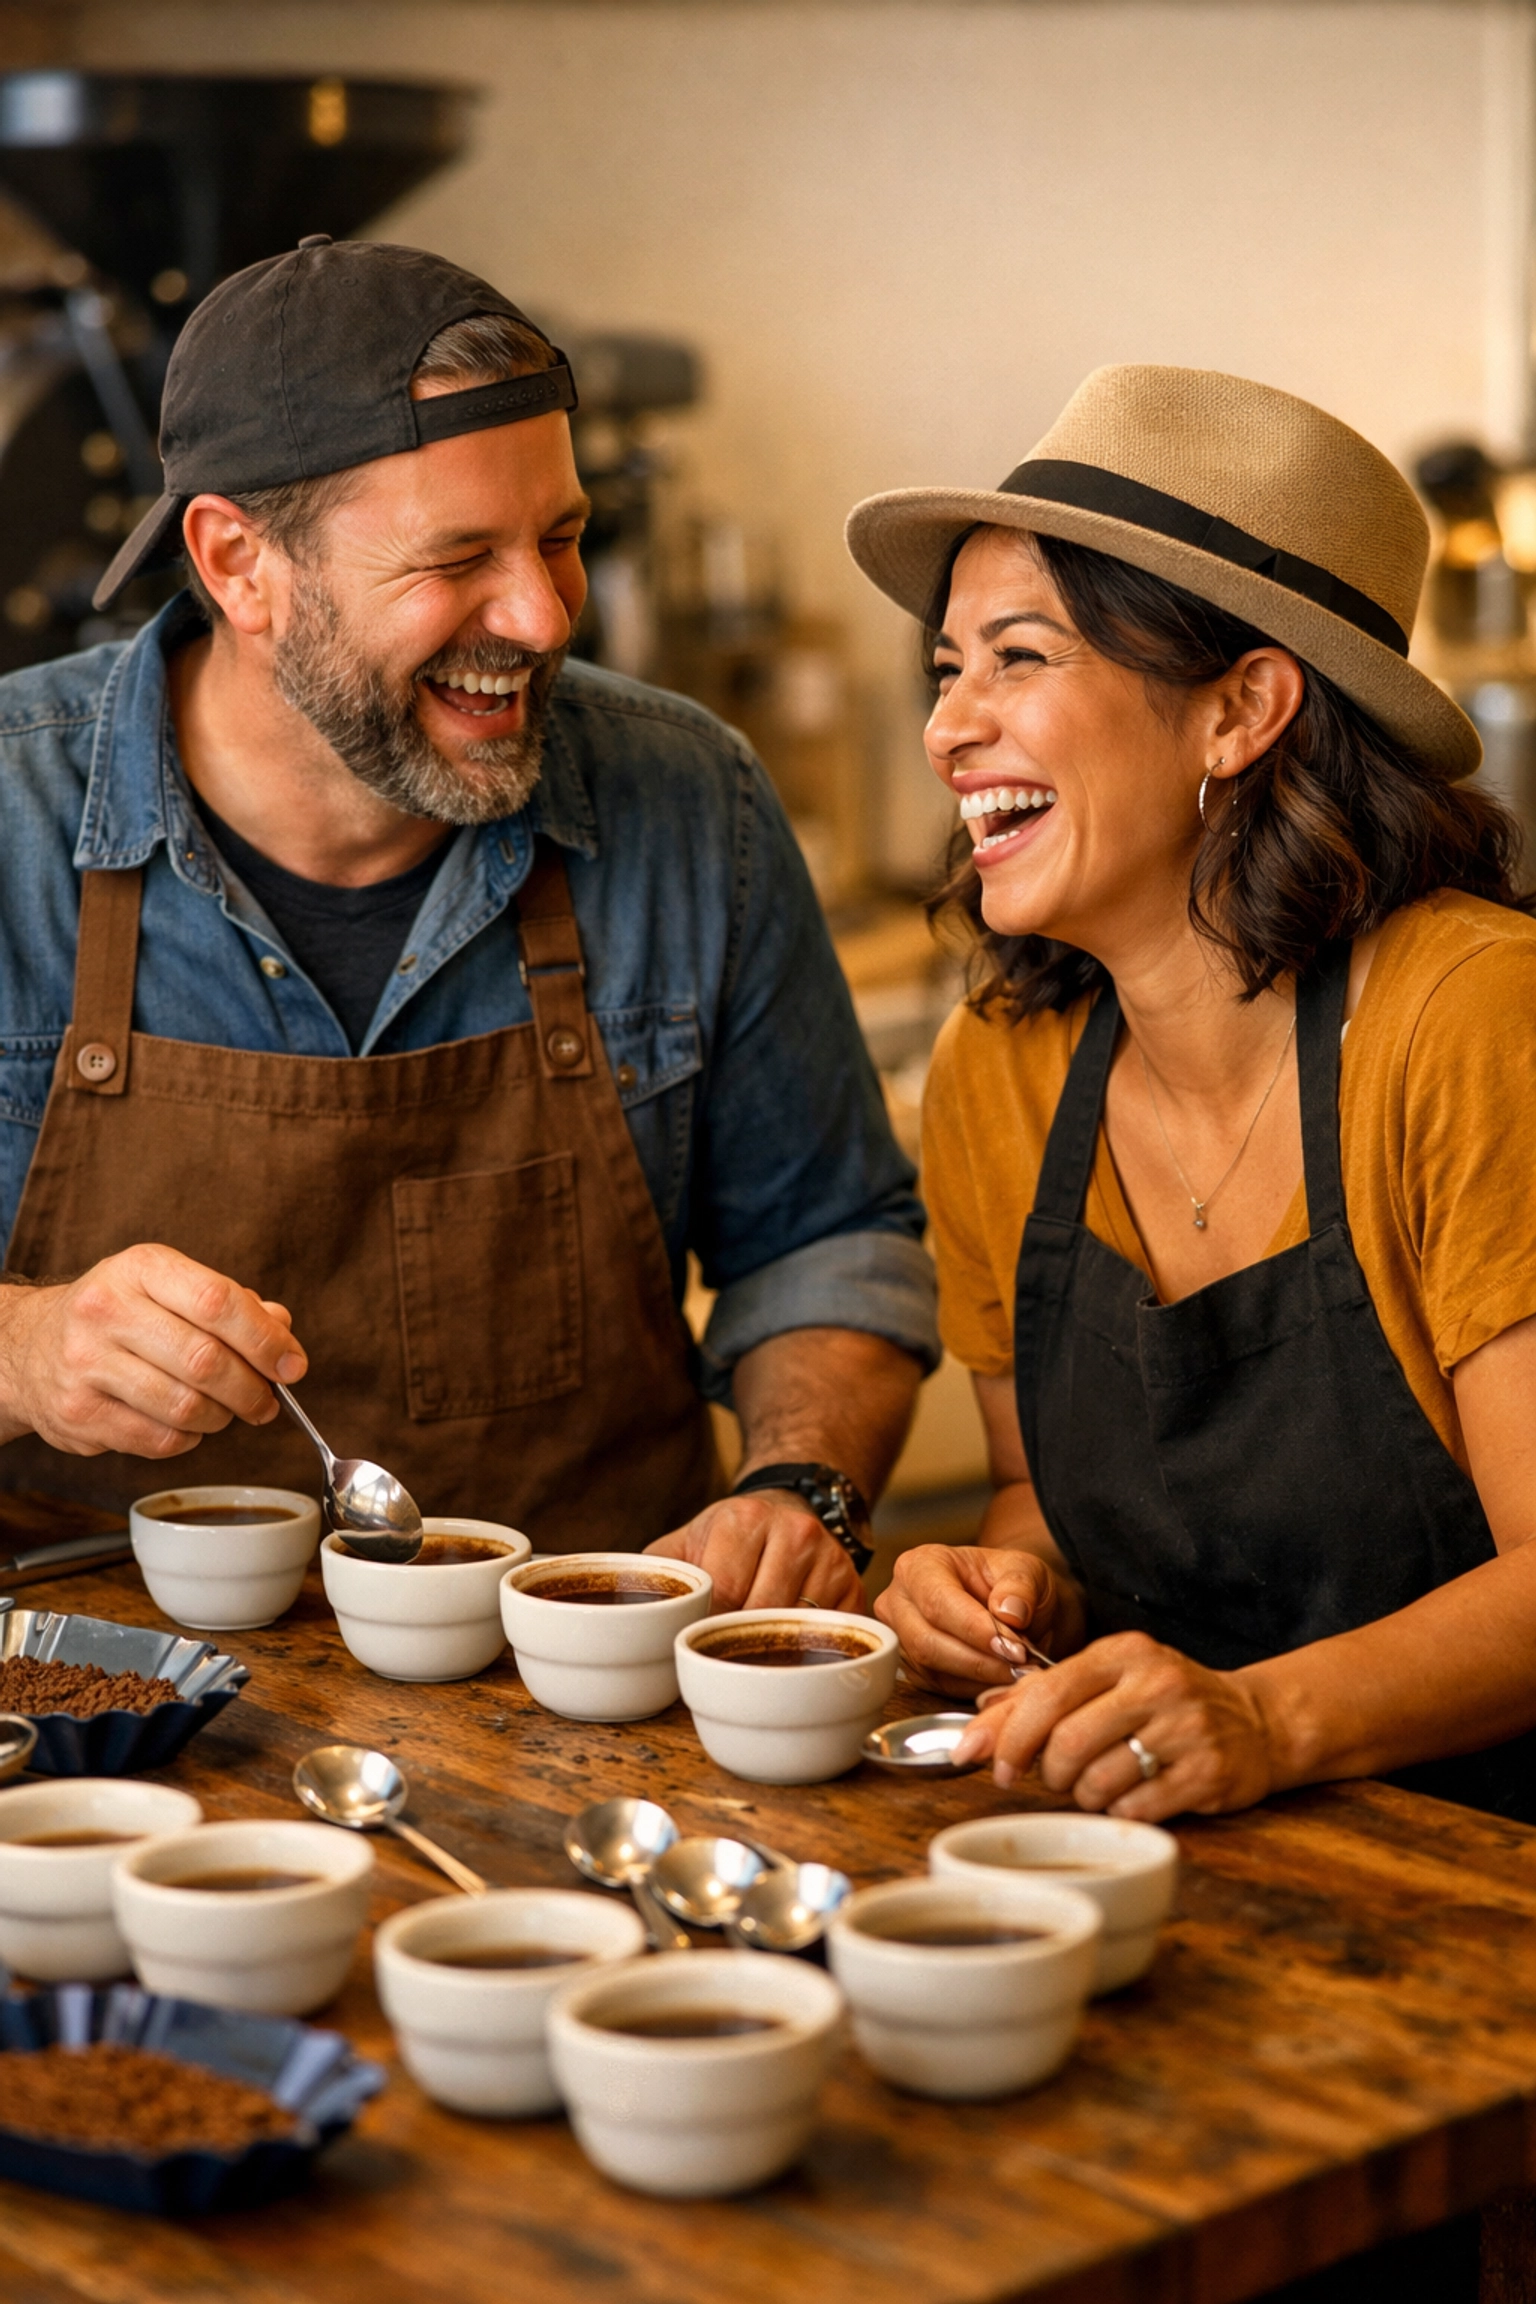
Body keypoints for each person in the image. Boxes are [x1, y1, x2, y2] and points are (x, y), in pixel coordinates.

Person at [0, 236, 938, 1610]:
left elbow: (828, 1240)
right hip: (99, 1719)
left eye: (564, 538)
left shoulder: (688, 802)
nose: (546, 614)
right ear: (238, 563)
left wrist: (803, 1484)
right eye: (460, 558)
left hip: (580, 1704)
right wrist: (24, 1351)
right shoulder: (14, 817)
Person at [847, 364, 1536, 1818]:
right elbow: (1046, 1499)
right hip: (1185, 1844)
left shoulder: (1471, 1017)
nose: (947, 730)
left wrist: (1263, 1723)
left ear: (1241, 710)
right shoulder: (1003, 1066)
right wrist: (1002, 1584)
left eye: (1019, 659)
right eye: (947, 669)